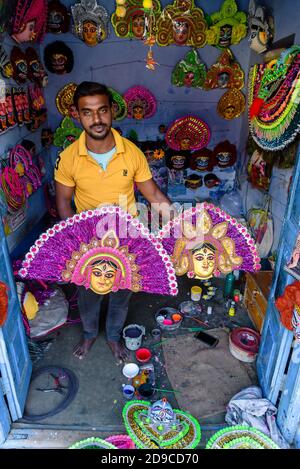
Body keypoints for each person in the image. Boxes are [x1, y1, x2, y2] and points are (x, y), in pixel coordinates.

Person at [54, 81, 172, 361]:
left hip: (126, 238)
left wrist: (182, 225)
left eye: (102, 110)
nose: (96, 119)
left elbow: (153, 193)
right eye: (87, 112)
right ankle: (89, 333)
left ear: (113, 111)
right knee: (89, 295)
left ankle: (113, 336)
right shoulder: (68, 158)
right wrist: (79, 243)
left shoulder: (131, 152)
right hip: (88, 241)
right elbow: (62, 202)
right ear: (77, 115)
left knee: (121, 293)